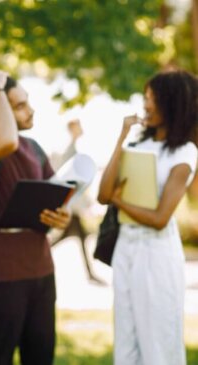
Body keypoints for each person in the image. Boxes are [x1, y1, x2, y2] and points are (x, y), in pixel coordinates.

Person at [0, 69, 71, 365]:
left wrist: (63, 215)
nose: (31, 110)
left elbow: (60, 193)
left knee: (41, 358)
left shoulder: (34, 148)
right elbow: (6, 140)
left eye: (27, 102)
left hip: (41, 272)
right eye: (19, 106)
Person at [98, 69, 198, 365]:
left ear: (172, 103)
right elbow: (103, 194)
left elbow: (159, 218)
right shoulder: (137, 145)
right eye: (145, 97)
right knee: (126, 341)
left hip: (157, 253)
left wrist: (119, 199)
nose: (146, 104)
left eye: (152, 98)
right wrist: (122, 137)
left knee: (158, 342)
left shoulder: (185, 152)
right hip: (125, 248)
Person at [49, 119, 105, 284]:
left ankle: (90, 273)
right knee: (78, 238)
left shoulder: (73, 150)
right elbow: (70, 180)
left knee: (75, 238)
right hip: (70, 207)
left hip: (72, 207)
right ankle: (91, 274)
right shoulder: (69, 151)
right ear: (72, 129)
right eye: (78, 126)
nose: (82, 129)